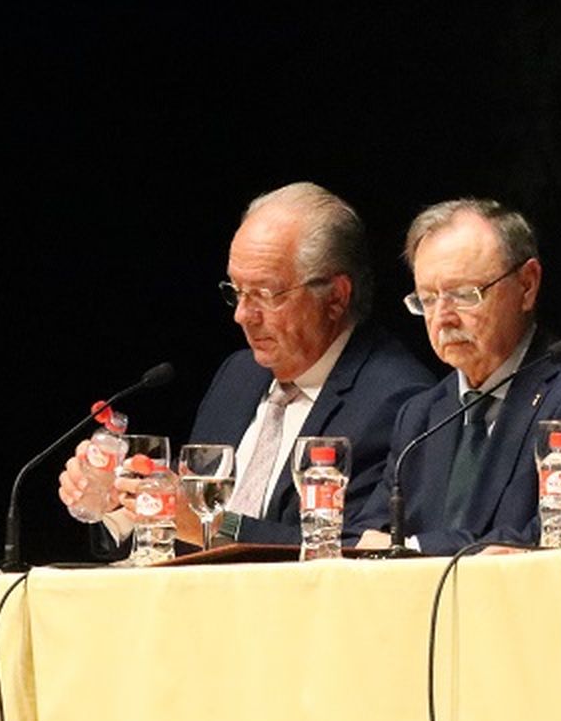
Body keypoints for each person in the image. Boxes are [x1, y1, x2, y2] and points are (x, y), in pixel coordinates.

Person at [58, 182, 434, 548]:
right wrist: (120, 501)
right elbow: (186, 528)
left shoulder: (398, 400)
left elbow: (357, 549)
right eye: (237, 292)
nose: (242, 315)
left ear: (335, 297)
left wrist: (218, 527)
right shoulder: (239, 376)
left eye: (266, 295)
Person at [349, 199, 561, 554]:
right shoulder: (421, 415)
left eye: (463, 295)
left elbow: (555, 538)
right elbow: (369, 537)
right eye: (428, 299)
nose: (443, 318)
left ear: (526, 286)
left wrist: (414, 548)